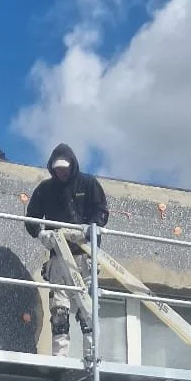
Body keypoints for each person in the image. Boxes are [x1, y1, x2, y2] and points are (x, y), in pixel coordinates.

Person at [25, 143, 110, 356]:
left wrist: (90, 228)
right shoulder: (46, 189)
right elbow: (31, 217)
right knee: (59, 311)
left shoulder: (88, 184)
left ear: (72, 166)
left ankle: (92, 354)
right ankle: (60, 356)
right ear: (52, 169)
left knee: (87, 309)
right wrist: (40, 233)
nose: (61, 172)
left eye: (64, 168)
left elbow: (101, 211)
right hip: (59, 258)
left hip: (84, 256)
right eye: (57, 169)